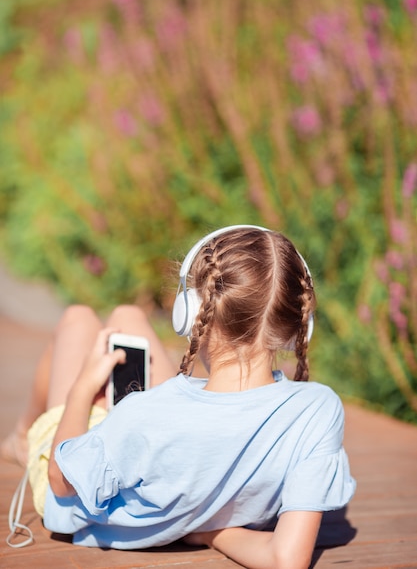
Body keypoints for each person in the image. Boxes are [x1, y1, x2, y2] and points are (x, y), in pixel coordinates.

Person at [2, 225, 356, 569]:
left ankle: (22, 438)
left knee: (78, 320)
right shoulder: (319, 409)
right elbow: (287, 559)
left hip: (88, 485)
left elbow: (62, 485)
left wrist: (81, 387)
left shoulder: (143, 414)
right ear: (298, 325)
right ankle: (24, 435)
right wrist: (212, 534)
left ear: (190, 312)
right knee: (128, 317)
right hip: (161, 453)